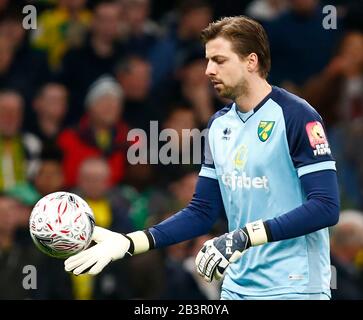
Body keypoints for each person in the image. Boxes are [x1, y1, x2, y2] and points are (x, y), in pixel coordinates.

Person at [64, 16, 340, 300]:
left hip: (295, 287)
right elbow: (201, 212)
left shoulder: (296, 116)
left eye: (219, 60)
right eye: (208, 61)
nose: (208, 70)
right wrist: (131, 242)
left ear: (251, 61)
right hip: (236, 288)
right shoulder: (219, 125)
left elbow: (325, 207)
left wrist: (245, 236)